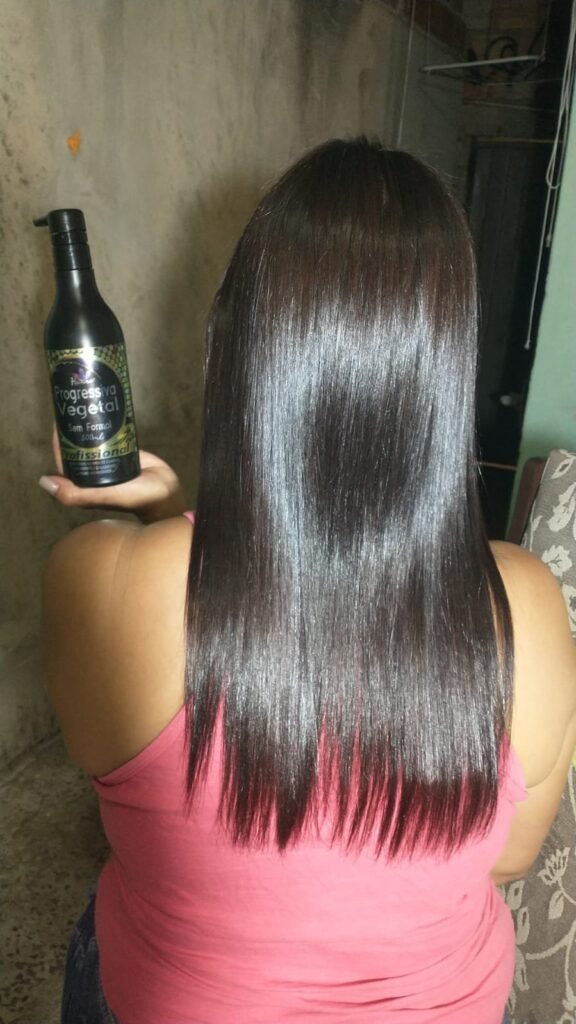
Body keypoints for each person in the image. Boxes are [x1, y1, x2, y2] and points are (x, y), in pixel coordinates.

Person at [41, 138, 576, 1024]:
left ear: (242, 347)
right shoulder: (530, 610)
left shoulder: (103, 580)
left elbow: (115, 735)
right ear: (443, 367)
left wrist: (157, 522)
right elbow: (509, 858)